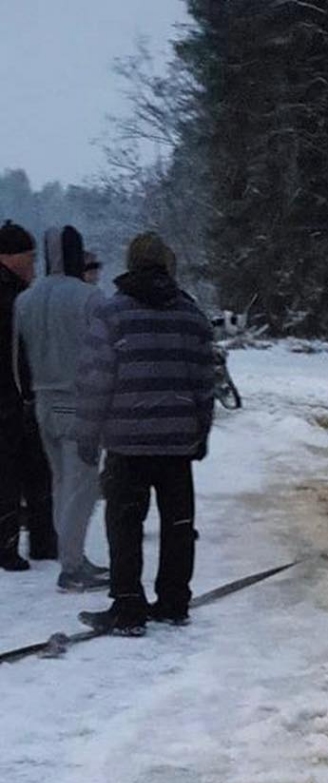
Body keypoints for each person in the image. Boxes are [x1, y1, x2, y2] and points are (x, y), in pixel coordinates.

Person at [77, 232, 215, 636]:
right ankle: (174, 602)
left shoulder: (111, 313)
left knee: (124, 523)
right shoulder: (192, 316)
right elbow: (205, 383)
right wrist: (200, 432)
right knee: (177, 523)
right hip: (176, 441)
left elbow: (95, 379)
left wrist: (87, 433)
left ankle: (128, 607)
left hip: (125, 441)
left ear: (131, 262)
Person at [13, 225, 108, 590]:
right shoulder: (90, 298)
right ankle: (72, 566)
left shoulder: (26, 300)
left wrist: (27, 395)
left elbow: (14, 358)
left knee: (59, 483)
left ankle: (70, 555)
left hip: (42, 402)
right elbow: (104, 353)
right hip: (80, 403)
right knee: (81, 486)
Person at [0, 220, 56, 570]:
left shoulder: (18, 295)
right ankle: (16, 544)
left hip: (19, 399)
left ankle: (40, 539)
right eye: (28, 257)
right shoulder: (13, 300)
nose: (33, 265)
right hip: (13, 401)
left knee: (30, 470)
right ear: (8, 257)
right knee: (12, 473)